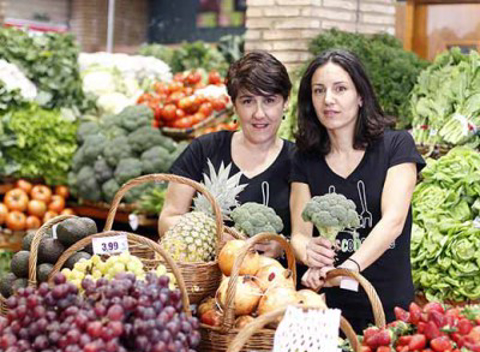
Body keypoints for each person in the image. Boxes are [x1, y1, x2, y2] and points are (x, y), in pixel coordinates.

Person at [290, 49, 426, 332]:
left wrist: (349, 268)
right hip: (326, 310)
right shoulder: (304, 159)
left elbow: (393, 222)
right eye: (319, 90)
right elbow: (300, 234)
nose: (328, 99)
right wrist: (308, 254)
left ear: (361, 96)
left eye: (340, 89)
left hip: (388, 307)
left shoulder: (396, 146)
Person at [160, 51, 293, 257]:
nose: (259, 113)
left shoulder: (298, 160)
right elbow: (169, 218)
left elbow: (309, 238)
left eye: (269, 101)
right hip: (203, 280)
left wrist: (283, 247)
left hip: (270, 283)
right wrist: (212, 236)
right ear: (234, 105)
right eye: (247, 101)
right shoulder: (204, 149)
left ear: (285, 102)